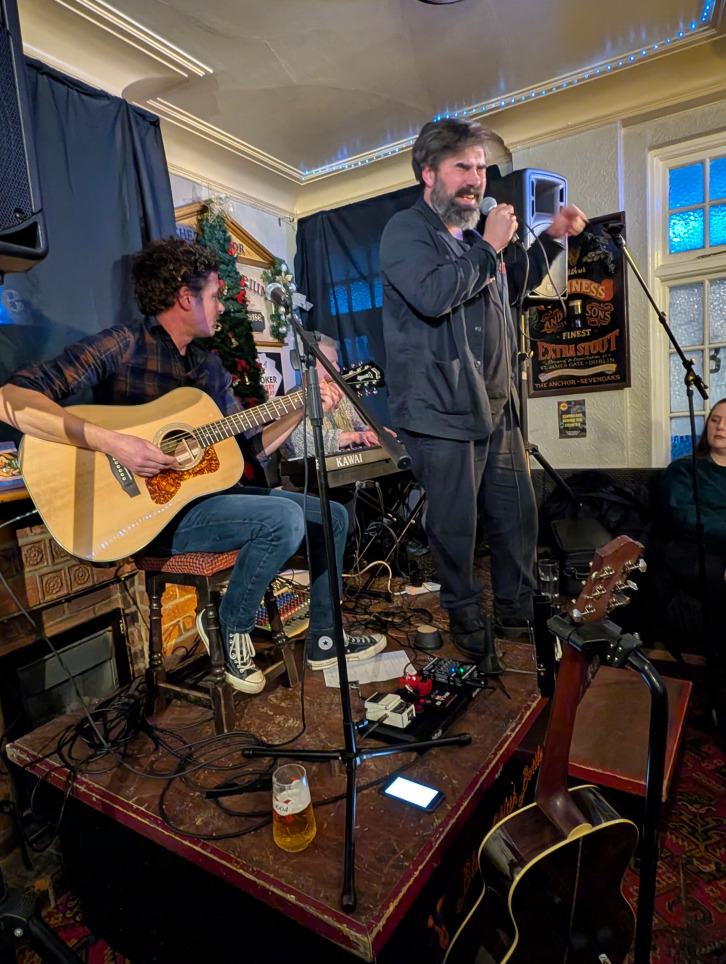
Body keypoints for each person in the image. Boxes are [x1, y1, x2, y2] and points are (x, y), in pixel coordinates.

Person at [0, 238, 386, 693]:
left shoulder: (210, 369)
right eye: (216, 295)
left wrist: (301, 407)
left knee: (332, 515)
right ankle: (230, 626)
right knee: (282, 517)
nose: (222, 307)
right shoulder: (123, 345)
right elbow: (11, 398)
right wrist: (115, 443)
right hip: (150, 516)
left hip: (207, 504)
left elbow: (248, 452)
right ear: (187, 297)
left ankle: (324, 639)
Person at [379, 118, 587, 657]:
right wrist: (491, 247)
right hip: (441, 409)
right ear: (429, 173)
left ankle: (517, 615)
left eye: (481, 168)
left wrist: (553, 240)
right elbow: (432, 296)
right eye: (463, 167)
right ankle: (468, 621)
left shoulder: (475, 240)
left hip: (498, 406)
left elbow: (513, 290)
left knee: (518, 516)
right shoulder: (406, 231)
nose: (476, 179)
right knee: (456, 527)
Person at [659, 397, 726, 651]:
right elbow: (685, 517)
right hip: (692, 549)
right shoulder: (683, 469)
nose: (720, 427)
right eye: (715, 420)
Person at [281, 335, 379, 459]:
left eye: (336, 362)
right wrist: (353, 436)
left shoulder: (338, 392)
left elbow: (357, 426)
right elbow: (303, 443)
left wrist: (370, 433)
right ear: (308, 367)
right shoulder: (293, 398)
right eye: (330, 363)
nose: (337, 368)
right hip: (311, 469)